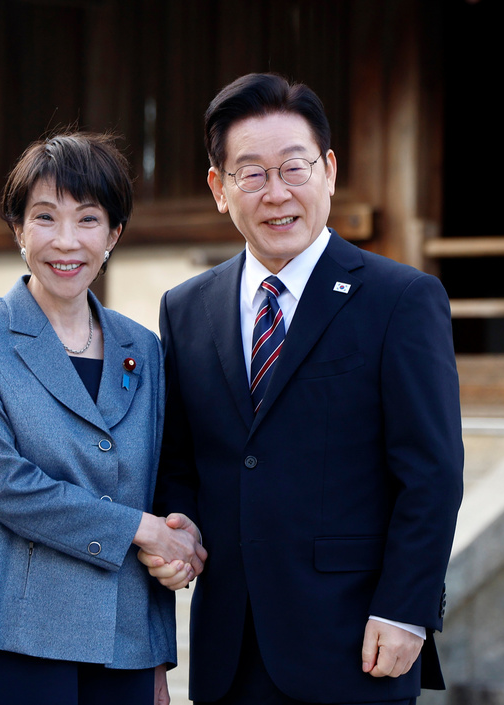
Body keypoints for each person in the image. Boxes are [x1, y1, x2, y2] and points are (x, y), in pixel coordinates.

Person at [141, 73, 465, 704]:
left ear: (329, 172)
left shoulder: (400, 299)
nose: (276, 193)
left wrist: (406, 610)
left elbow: (432, 473)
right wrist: (178, 532)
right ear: (219, 189)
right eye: (252, 174)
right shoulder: (186, 308)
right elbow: (182, 458)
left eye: (294, 168)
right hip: (227, 651)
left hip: (355, 644)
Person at [0, 131, 205, 705]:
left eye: (87, 220)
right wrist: (141, 529)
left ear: (114, 235)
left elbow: (155, 488)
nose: (66, 241)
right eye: (44, 218)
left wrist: (158, 654)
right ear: (18, 229)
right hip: (16, 631)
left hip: (124, 637)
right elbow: (7, 487)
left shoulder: (146, 349)